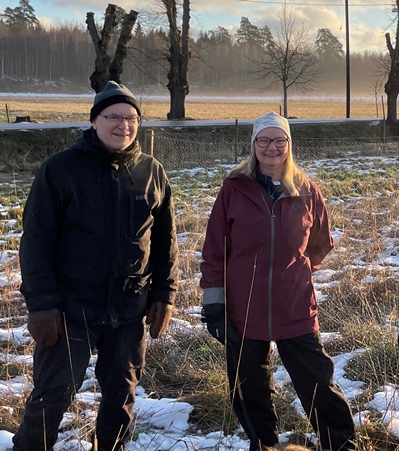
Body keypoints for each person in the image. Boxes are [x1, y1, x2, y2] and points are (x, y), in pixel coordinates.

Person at [13, 81, 179, 451]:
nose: (124, 125)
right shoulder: (60, 170)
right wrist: (41, 305)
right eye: (114, 117)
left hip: (129, 308)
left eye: (132, 118)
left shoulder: (151, 172)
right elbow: (36, 241)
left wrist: (164, 295)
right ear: (94, 121)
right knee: (52, 396)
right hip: (70, 309)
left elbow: (166, 240)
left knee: (121, 397)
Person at [200, 112, 356, 451]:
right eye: (264, 141)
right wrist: (214, 304)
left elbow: (320, 243)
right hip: (244, 308)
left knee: (318, 381)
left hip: (295, 306)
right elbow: (214, 250)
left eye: (279, 140)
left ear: (289, 144)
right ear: (253, 145)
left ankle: (341, 444)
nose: (272, 148)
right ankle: (264, 444)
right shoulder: (234, 189)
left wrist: (292, 273)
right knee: (248, 386)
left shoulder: (306, 190)